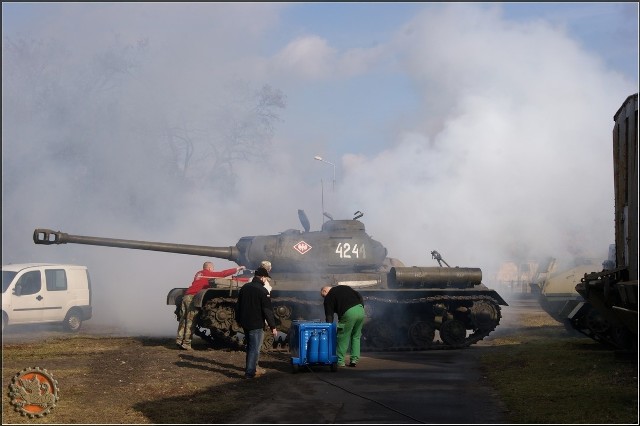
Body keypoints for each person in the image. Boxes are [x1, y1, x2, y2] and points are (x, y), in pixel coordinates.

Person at [176, 261, 245, 350]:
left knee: (184, 319)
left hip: (186, 296)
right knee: (191, 320)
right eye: (212, 269)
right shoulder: (207, 274)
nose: (213, 270)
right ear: (209, 268)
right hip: (193, 297)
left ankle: (179, 339)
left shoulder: (199, 273)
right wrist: (237, 269)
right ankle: (186, 343)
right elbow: (222, 273)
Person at [235, 267, 278, 379]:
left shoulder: (245, 287)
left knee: (250, 347)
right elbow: (267, 310)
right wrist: (273, 326)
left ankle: (251, 369)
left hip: (245, 322)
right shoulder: (263, 291)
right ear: (263, 277)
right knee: (255, 349)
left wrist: (238, 320)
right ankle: (250, 373)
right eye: (266, 278)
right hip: (256, 323)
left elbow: (238, 306)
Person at [321, 284, 365, 367]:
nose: (324, 298)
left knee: (342, 336)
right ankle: (354, 360)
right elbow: (359, 295)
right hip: (361, 310)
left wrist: (329, 328)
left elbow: (329, 316)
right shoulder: (345, 287)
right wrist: (361, 307)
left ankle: (339, 361)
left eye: (323, 296)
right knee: (356, 336)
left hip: (349, 313)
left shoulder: (328, 296)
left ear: (325, 291)